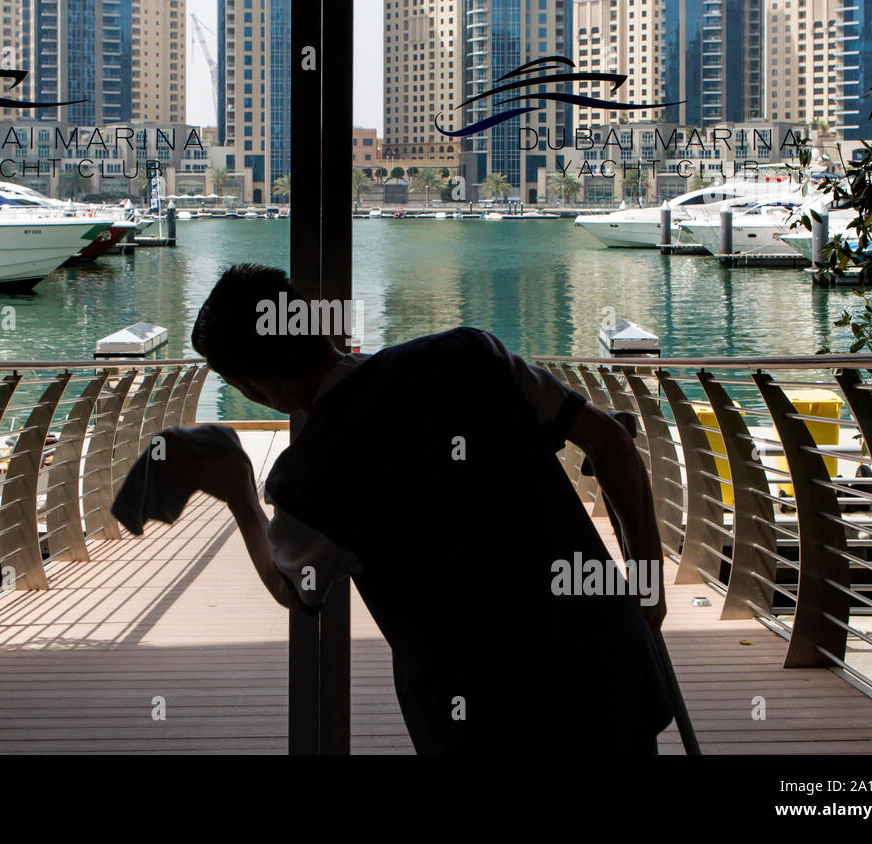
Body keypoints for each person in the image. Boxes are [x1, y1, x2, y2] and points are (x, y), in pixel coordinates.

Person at [163, 263, 674, 754]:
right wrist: (647, 584)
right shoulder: (470, 355)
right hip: (605, 669)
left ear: (262, 388)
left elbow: (293, 589)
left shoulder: (308, 481)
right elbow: (610, 443)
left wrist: (241, 498)